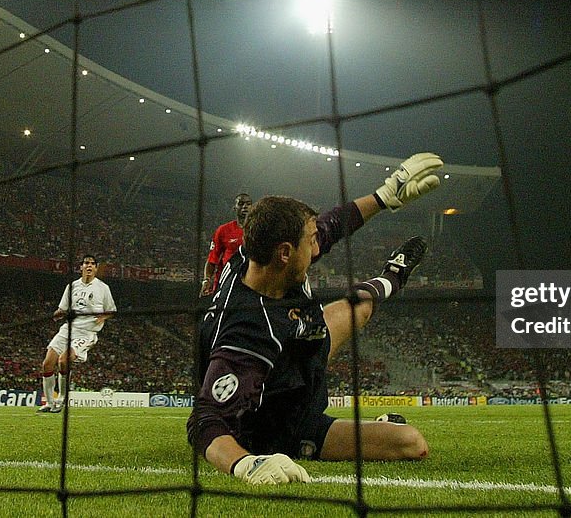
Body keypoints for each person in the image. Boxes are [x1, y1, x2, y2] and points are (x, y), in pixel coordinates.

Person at [188, 152, 442, 485]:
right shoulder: (247, 332)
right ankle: (341, 433)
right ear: (284, 253)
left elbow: (333, 225)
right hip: (281, 421)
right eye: (310, 241)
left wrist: (384, 196)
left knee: (358, 306)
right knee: (410, 442)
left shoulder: (254, 254)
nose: (318, 245)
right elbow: (206, 420)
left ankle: (395, 274)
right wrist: (245, 464)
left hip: (296, 347)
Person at [38, 255, 117, 413]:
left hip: (86, 333)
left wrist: (103, 317)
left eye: (92, 264)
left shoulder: (103, 288)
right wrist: (57, 314)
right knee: (47, 363)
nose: (89, 266)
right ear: (80, 267)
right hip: (68, 329)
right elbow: (63, 309)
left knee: (64, 360)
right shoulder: (72, 286)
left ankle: (62, 399)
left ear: (96, 268)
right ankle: (49, 403)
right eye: (86, 263)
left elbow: (112, 310)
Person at [200, 193, 254, 297]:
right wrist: (206, 280)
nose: (245, 207)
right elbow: (212, 259)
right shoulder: (223, 230)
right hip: (225, 283)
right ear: (235, 208)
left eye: (248, 204)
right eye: (241, 204)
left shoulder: (259, 231)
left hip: (249, 284)